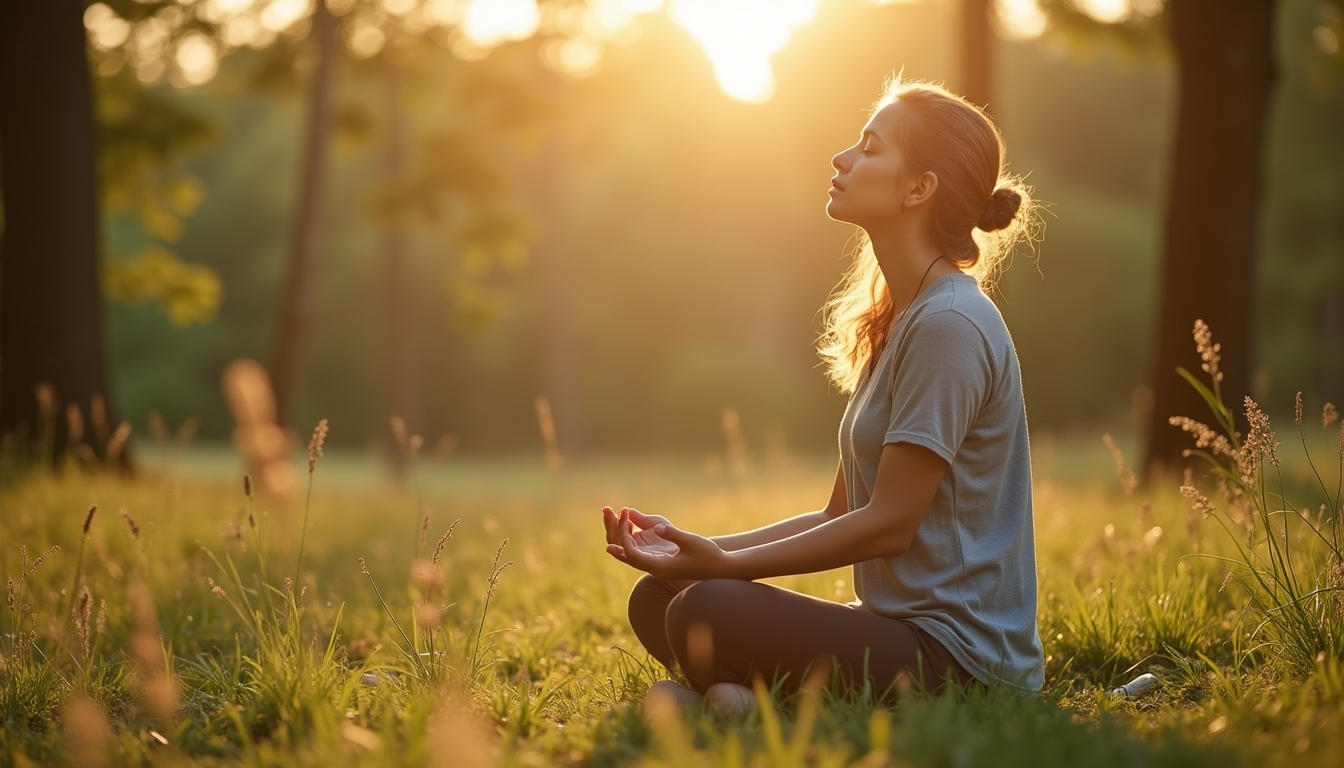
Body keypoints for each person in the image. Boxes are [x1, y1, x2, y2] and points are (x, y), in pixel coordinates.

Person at [601, 77, 1045, 718]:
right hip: (902, 636)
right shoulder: (902, 318)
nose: (842, 159)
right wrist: (700, 550)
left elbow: (889, 524)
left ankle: (739, 703)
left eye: (869, 148)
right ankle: (744, 704)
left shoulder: (949, 325)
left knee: (706, 606)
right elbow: (841, 513)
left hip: (963, 665)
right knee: (663, 594)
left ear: (919, 188)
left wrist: (726, 569)